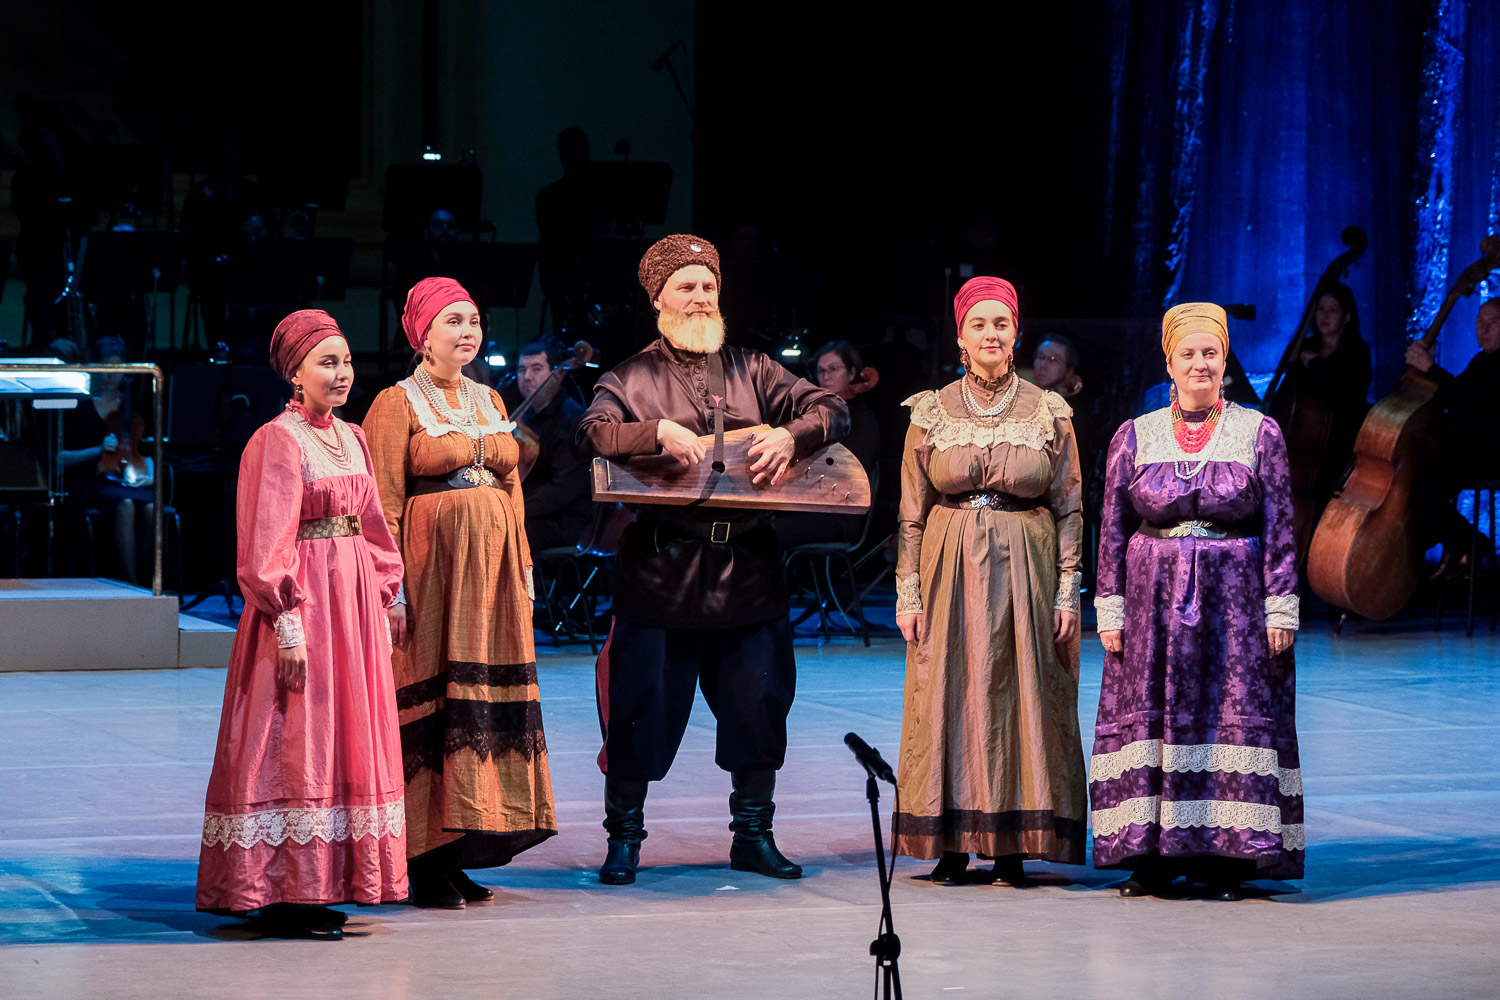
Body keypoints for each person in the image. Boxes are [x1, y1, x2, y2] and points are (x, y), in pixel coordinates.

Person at [577, 234, 848, 885]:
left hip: (748, 570)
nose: (700, 297)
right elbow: (591, 430)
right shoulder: (629, 377)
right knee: (639, 709)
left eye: (708, 286)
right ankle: (624, 840)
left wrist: (792, 434)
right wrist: (654, 431)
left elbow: (831, 407)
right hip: (661, 572)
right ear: (658, 299)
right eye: (686, 287)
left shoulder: (756, 369)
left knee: (759, 708)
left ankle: (753, 836)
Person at [196, 310, 409, 939]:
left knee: (347, 733)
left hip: (352, 605)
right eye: (327, 362)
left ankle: (328, 882)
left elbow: (374, 525)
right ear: (295, 372)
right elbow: (266, 542)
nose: (342, 373)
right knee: (297, 735)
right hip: (306, 605)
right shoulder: (277, 440)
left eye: (347, 362)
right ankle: (284, 888)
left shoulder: (353, 436)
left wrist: (387, 595)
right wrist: (286, 622)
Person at [1091, 302, 1302, 901]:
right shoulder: (1135, 435)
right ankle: (1150, 856)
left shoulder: (1259, 433)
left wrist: (1280, 605)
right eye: (1188, 354)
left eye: (1211, 352)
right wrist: (1110, 605)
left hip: (1233, 605)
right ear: (1170, 363)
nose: (1200, 364)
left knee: (1225, 714)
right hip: (1151, 603)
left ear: (1226, 359)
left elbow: (1281, 524)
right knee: (1152, 714)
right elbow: (1112, 526)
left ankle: (1226, 857)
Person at [363, 277, 557, 909]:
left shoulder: (489, 397)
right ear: (422, 334)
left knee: (478, 703)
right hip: (432, 575)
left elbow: (512, 492)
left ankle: (461, 848)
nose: (468, 331)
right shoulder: (396, 403)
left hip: (491, 577)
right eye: (453, 321)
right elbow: (383, 503)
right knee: (435, 700)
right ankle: (423, 859)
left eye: (473, 320)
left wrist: (521, 563)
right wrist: (390, 589)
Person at [892, 276, 1086, 886]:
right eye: (979, 324)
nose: (991, 334)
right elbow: (911, 510)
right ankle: (950, 843)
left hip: (1025, 565)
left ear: (1016, 332)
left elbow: (1070, 506)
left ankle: (1012, 845)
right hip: (947, 568)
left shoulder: (1048, 410)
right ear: (961, 336)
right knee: (948, 690)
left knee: (1018, 691)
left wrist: (1068, 587)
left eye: (1001, 324)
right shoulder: (931, 410)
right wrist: (907, 592)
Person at [1405, 297, 1500, 578]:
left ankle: (1471, 543)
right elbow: (1452, 395)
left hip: (1489, 455)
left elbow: (1470, 400)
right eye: (1479, 322)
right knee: (1416, 487)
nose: (1483, 329)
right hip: (1468, 452)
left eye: (1493, 322)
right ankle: (1461, 545)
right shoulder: (1481, 361)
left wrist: (1431, 369)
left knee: (1425, 494)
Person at [1269, 282, 1372, 540]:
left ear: (1346, 317)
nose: (1324, 316)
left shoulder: (1357, 353)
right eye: (1320, 309)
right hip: (1303, 446)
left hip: (1339, 446)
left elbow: (1340, 394)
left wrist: (1314, 364)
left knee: (1320, 491)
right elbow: (1288, 396)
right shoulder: (1307, 347)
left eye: (1332, 310)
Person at [60, 337, 154, 585]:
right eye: (107, 368)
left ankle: (130, 575)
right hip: (89, 480)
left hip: (125, 479)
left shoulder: (134, 405)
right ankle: (133, 582)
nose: (113, 376)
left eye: (119, 369)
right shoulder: (78, 405)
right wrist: (98, 450)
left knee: (151, 509)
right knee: (126, 504)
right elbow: (60, 457)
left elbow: (147, 450)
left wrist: (150, 473)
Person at [774, 339, 881, 549]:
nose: (826, 376)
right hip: (809, 507)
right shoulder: (817, 416)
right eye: (821, 370)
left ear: (852, 373)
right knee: (756, 522)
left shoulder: (862, 418)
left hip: (838, 515)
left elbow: (851, 470)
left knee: (770, 532)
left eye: (834, 369)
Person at [505, 341, 591, 553]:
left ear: (555, 374)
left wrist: (514, 509)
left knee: (497, 532)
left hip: (561, 520)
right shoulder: (527, 415)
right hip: (531, 511)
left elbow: (563, 489)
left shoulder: (572, 419)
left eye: (536, 369)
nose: (527, 377)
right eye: (522, 369)